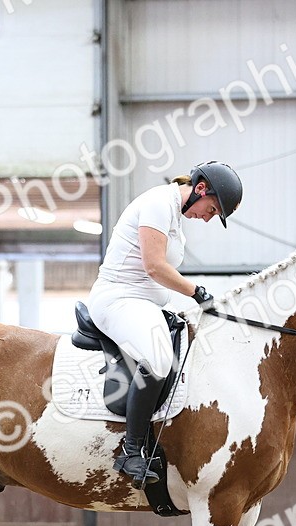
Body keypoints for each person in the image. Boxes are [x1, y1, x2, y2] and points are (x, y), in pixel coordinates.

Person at [86, 161, 243, 488]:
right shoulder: (158, 203)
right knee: (158, 359)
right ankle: (130, 451)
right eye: (211, 210)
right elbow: (154, 267)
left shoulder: (173, 216)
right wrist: (196, 292)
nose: (208, 218)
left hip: (145, 304)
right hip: (117, 300)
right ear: (200, 189)